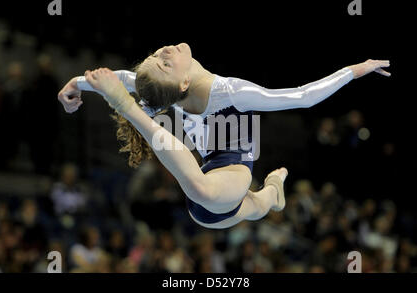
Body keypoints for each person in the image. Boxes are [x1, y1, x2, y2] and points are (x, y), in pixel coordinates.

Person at [58, 43, 390, 229]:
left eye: (156, 56)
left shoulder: (161, 85)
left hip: (210, 194)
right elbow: (301, 97)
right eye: (163, 63)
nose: (162, 53)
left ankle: (273, 191)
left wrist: (74, 84)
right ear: (182, 83)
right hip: (215, 186)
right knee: (238, 199)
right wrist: (354, 71)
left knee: (256, 204)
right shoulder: (229, 92)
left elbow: (119, 79)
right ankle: (271, 193)